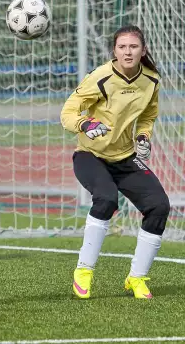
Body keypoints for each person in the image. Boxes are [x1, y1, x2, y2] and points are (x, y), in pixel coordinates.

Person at [61, 25, 169, 300]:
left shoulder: (151, 81)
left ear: (143, 50)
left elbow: (147, 116)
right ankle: (84, 271)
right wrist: (86, 124)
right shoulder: (101, 77)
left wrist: (143, 137)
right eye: (122, 47)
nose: (127, 51)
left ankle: (137, 277)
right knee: (107, 200)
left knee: (158, 206)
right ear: (114, 51)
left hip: (125, 157)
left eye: (133, 46)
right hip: (90, 156)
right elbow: (68, 112)